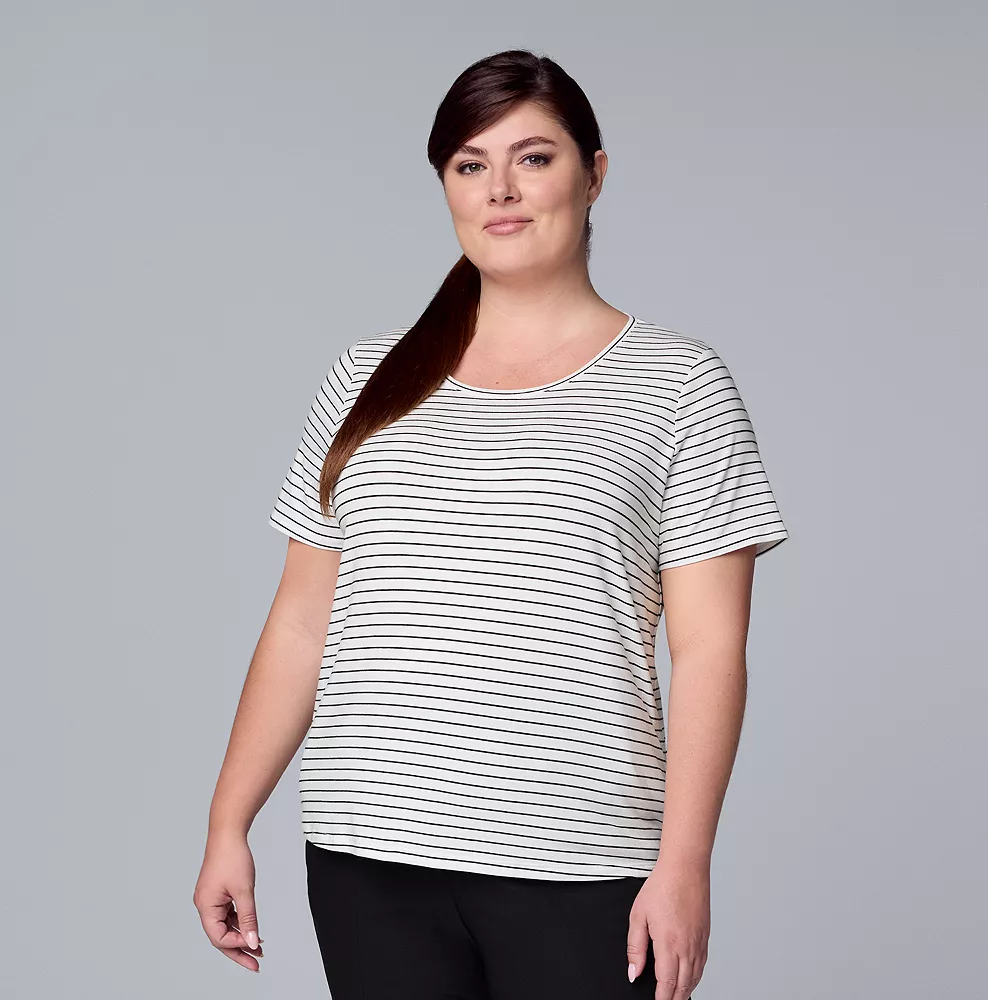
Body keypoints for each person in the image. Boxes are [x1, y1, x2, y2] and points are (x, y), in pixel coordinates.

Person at [193, 48, 789, 1000]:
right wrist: (229, 822)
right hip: (366, 854)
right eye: (470, 165)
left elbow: (711, 648)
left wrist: (685, 865)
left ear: (595, 173)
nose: (500, 190)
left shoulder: (679, 386)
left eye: (534, 158)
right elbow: (303, 622)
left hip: (584, 857)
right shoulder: (365, 378)